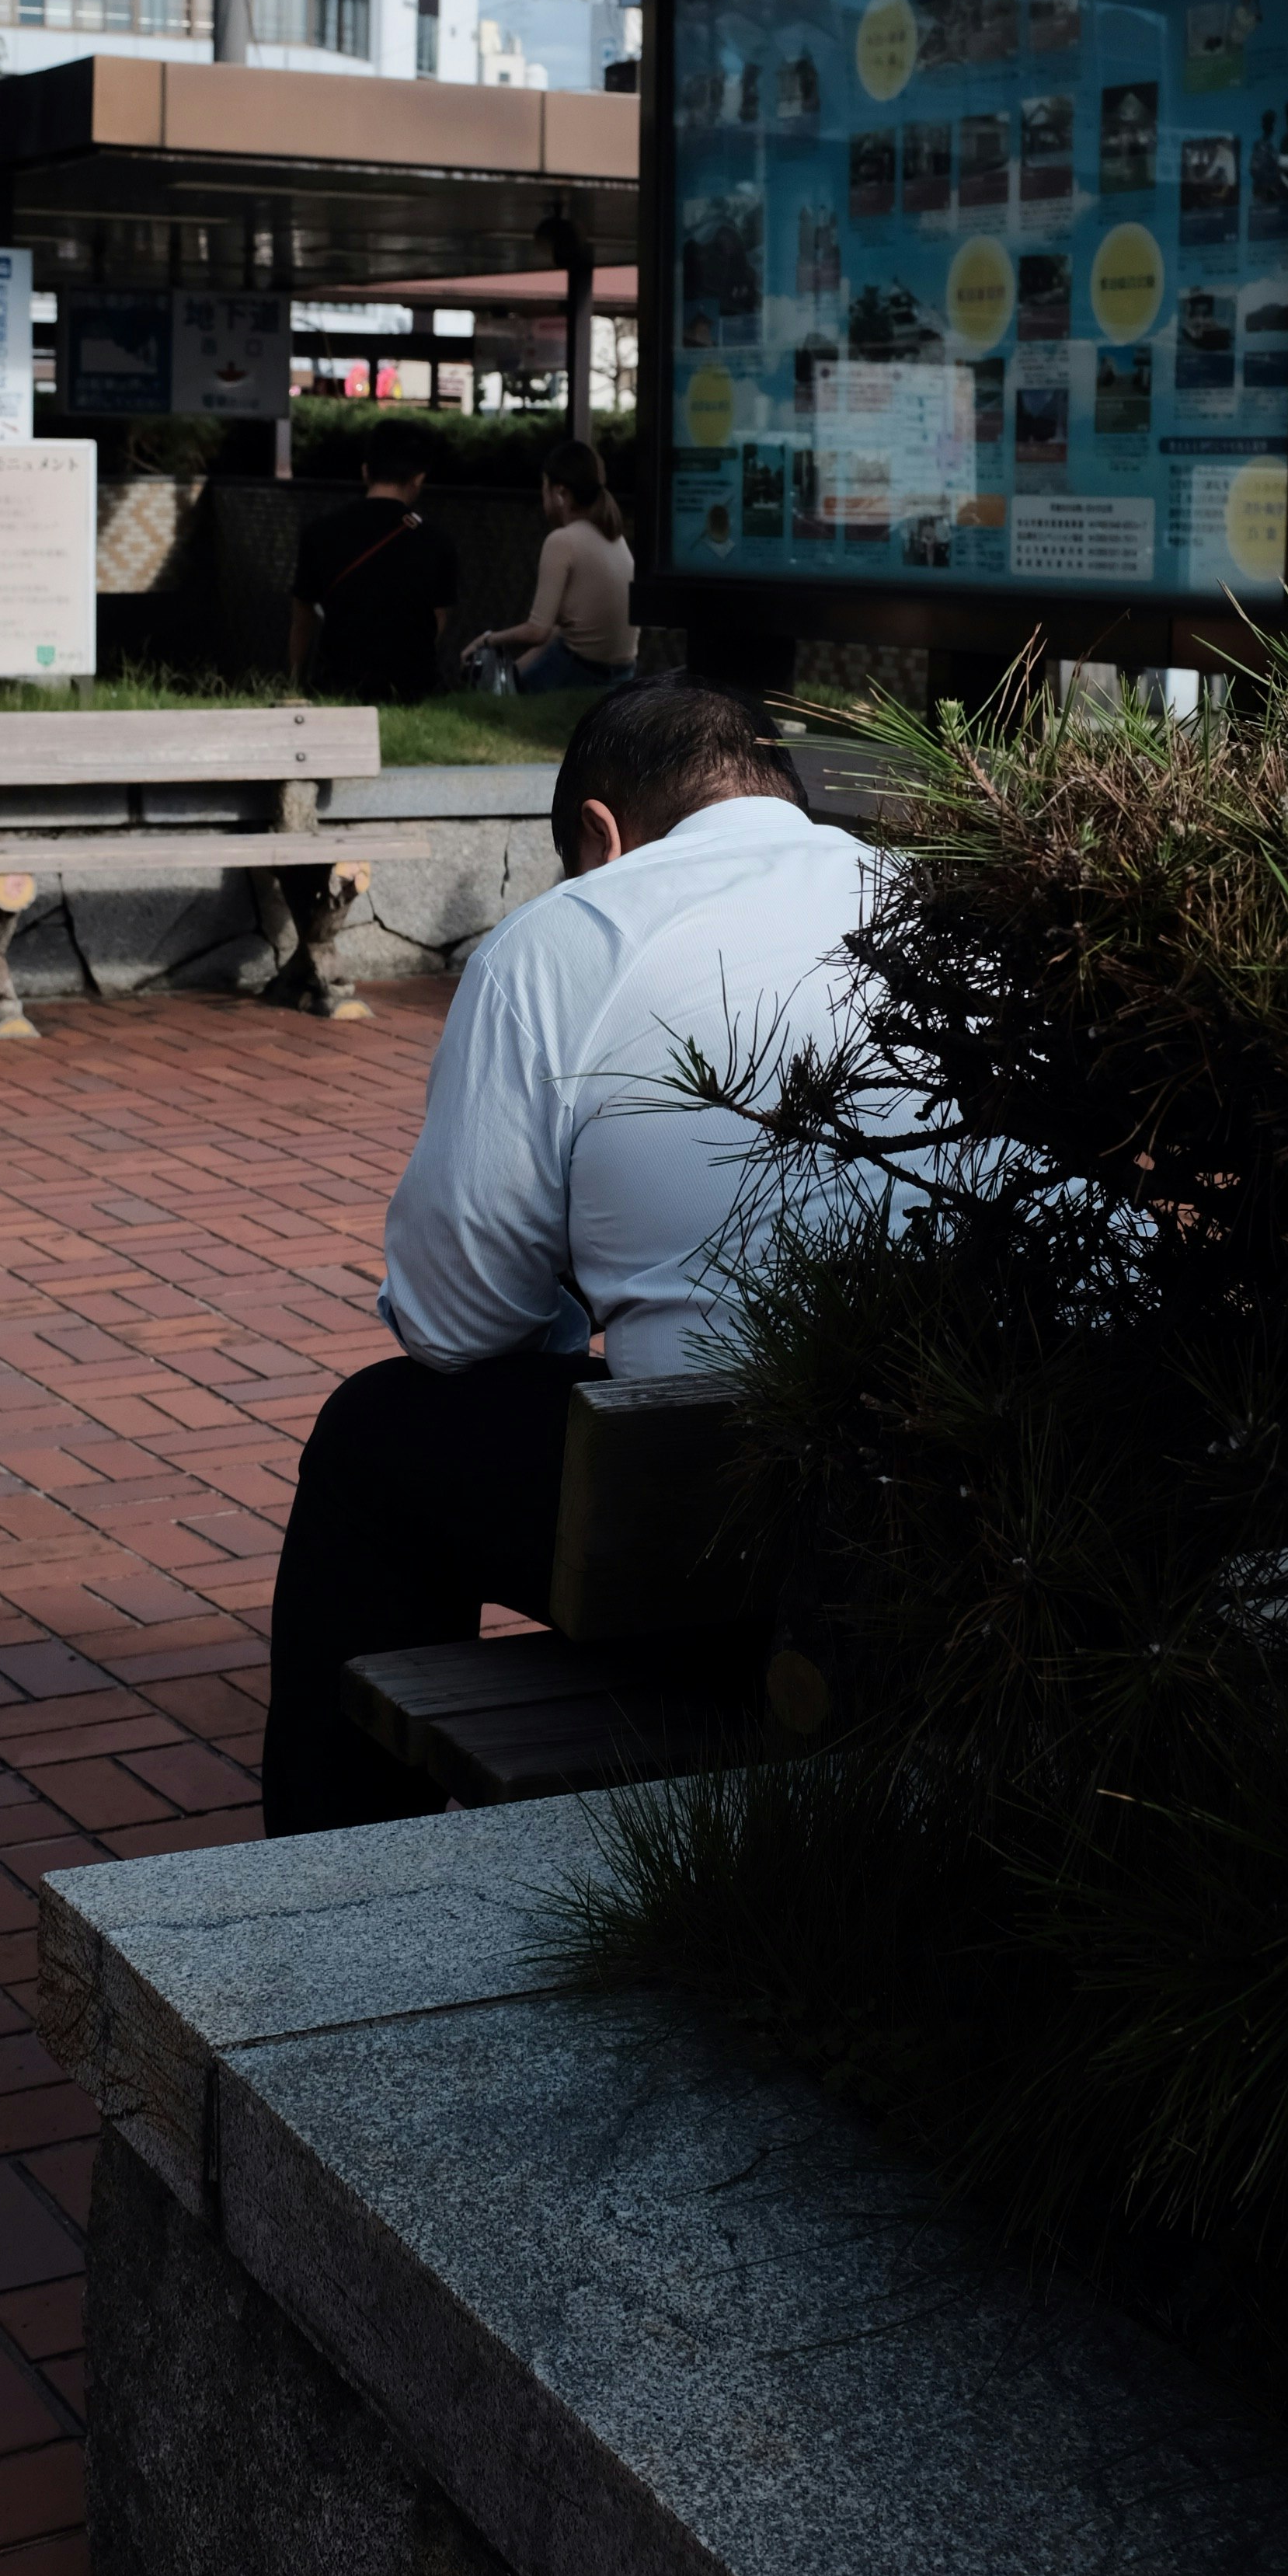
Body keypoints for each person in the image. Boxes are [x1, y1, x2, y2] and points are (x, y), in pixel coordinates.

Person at [258, 673, 869, 1836]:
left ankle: (334, 1893)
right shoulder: (942, 903)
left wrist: (569, 1303)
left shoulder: (570, 937)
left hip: (734, 1543)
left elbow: (452, 1322)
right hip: (1008, 1498)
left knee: (377, 1437)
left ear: (598, 829)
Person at [287, 422, 458, 702]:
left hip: (337, 684)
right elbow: (437, 620)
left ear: (365, 471)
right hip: (412, 689)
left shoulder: (320, 533)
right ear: (418, 479)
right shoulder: (437, 541)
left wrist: (295, 681)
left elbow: (302, 619)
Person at [461, 438, 636, 694]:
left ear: (560, 493)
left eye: (543, 486)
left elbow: (537, 632)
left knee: (494, 694)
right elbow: (561, 633)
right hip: (622, 672)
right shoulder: (613, 537)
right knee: (515, 684)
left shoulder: (562, 541)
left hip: (581, 671)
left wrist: (486, 640)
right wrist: (516, 672)